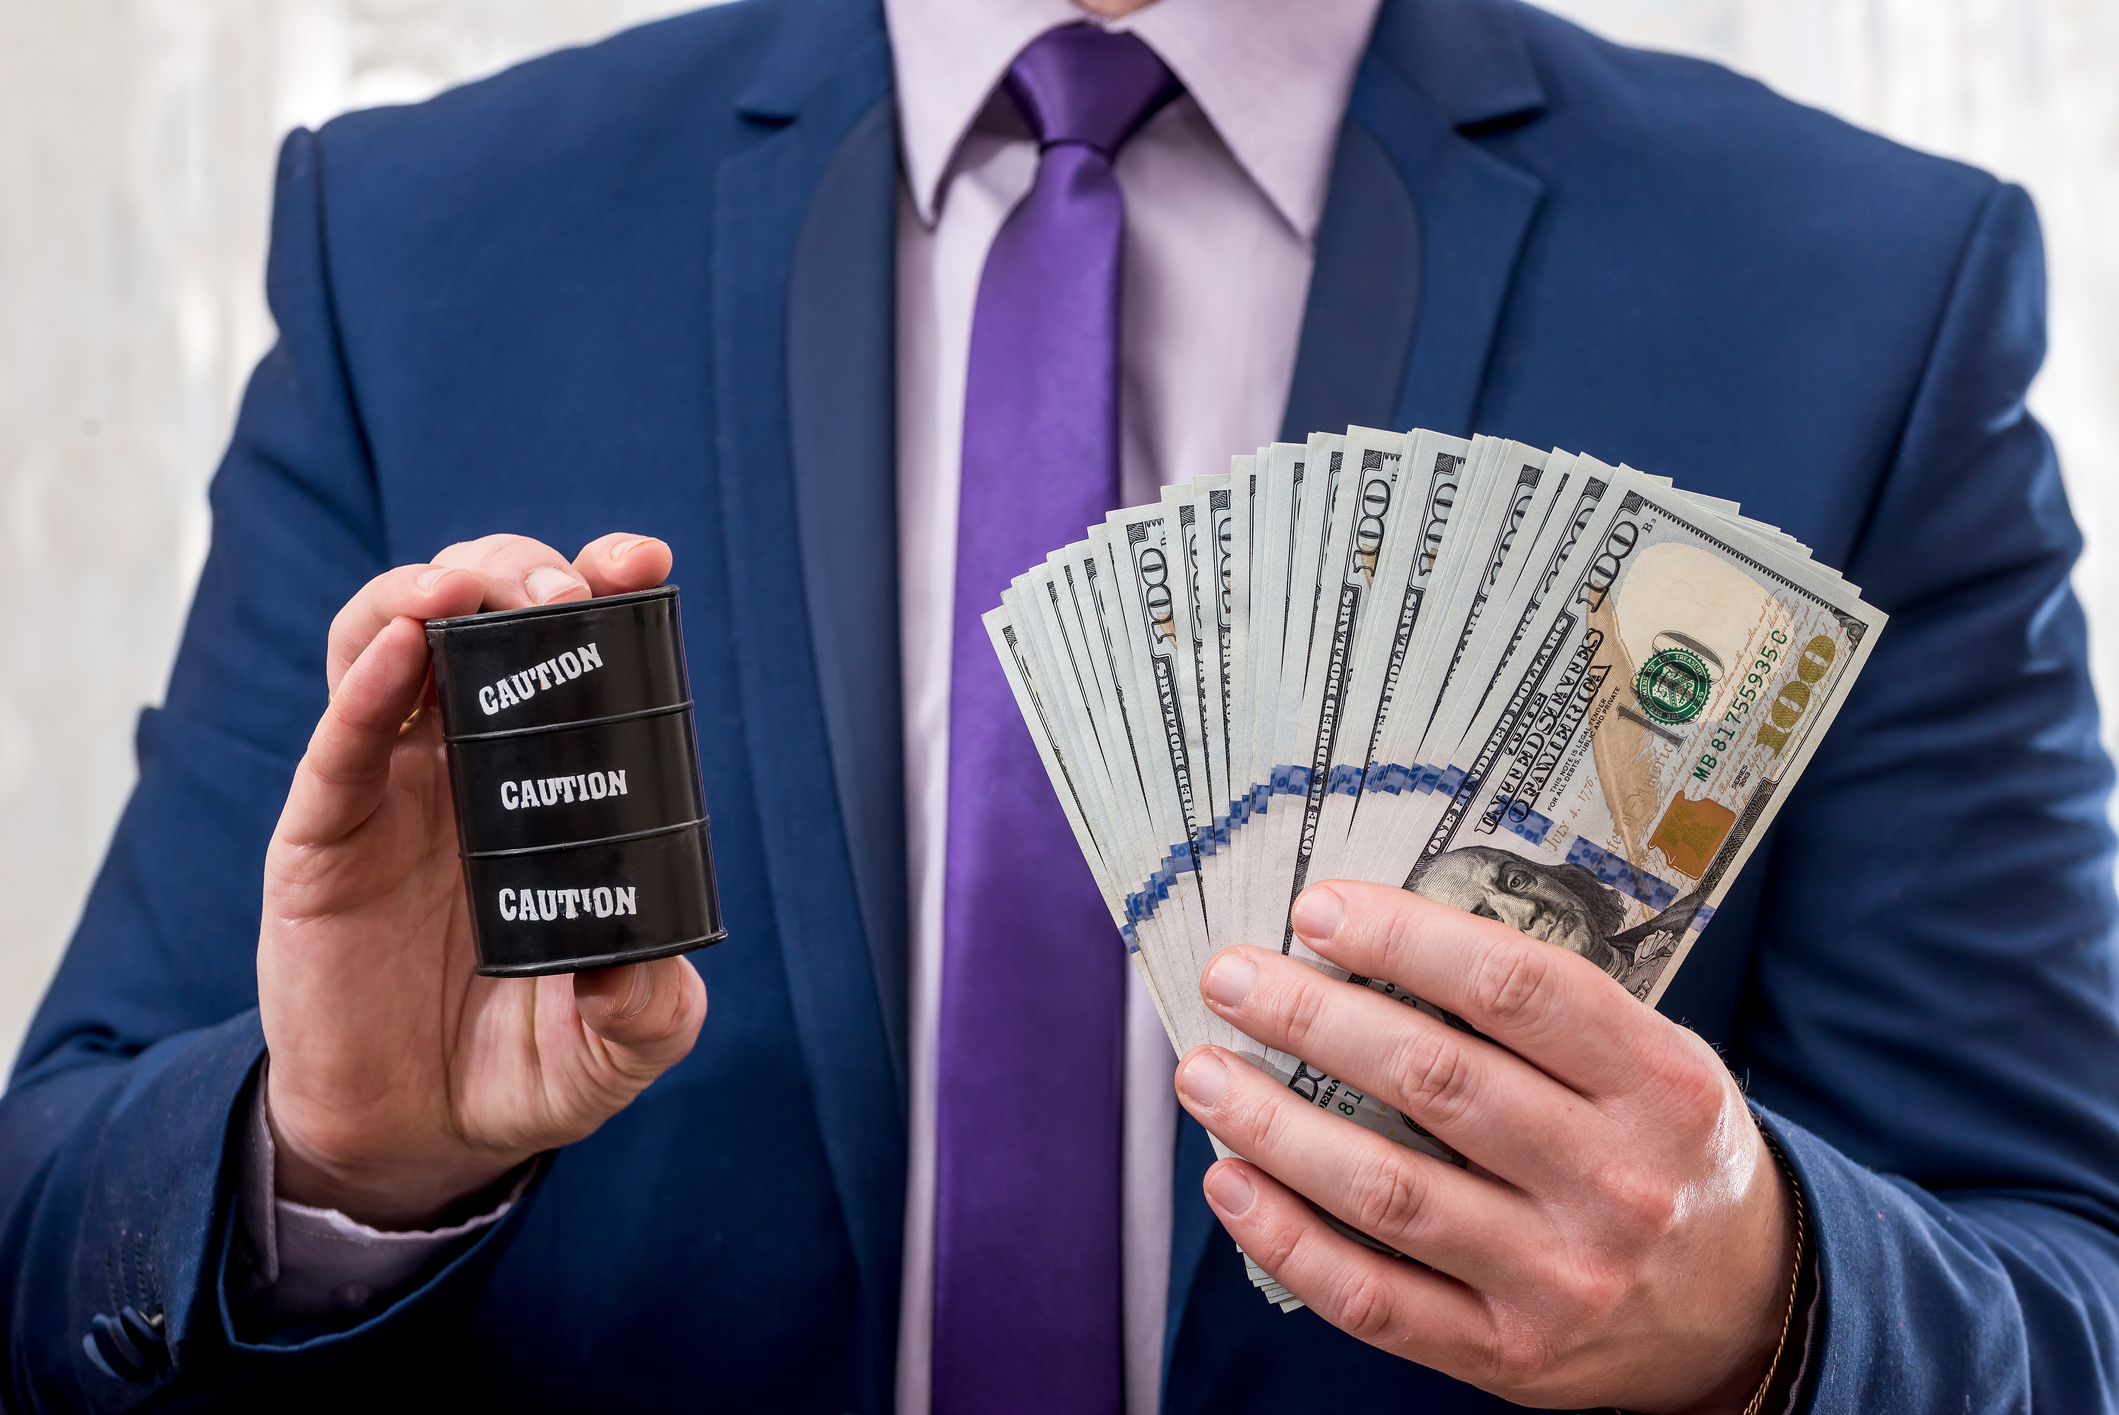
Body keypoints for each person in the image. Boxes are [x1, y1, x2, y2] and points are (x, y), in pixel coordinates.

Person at [5, 0, 2118, 1408]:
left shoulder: (1856, 290)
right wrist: (335, 1168)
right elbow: (52, 1230)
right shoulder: (426, 245)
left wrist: (1765, 1304)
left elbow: (2070, 1287)